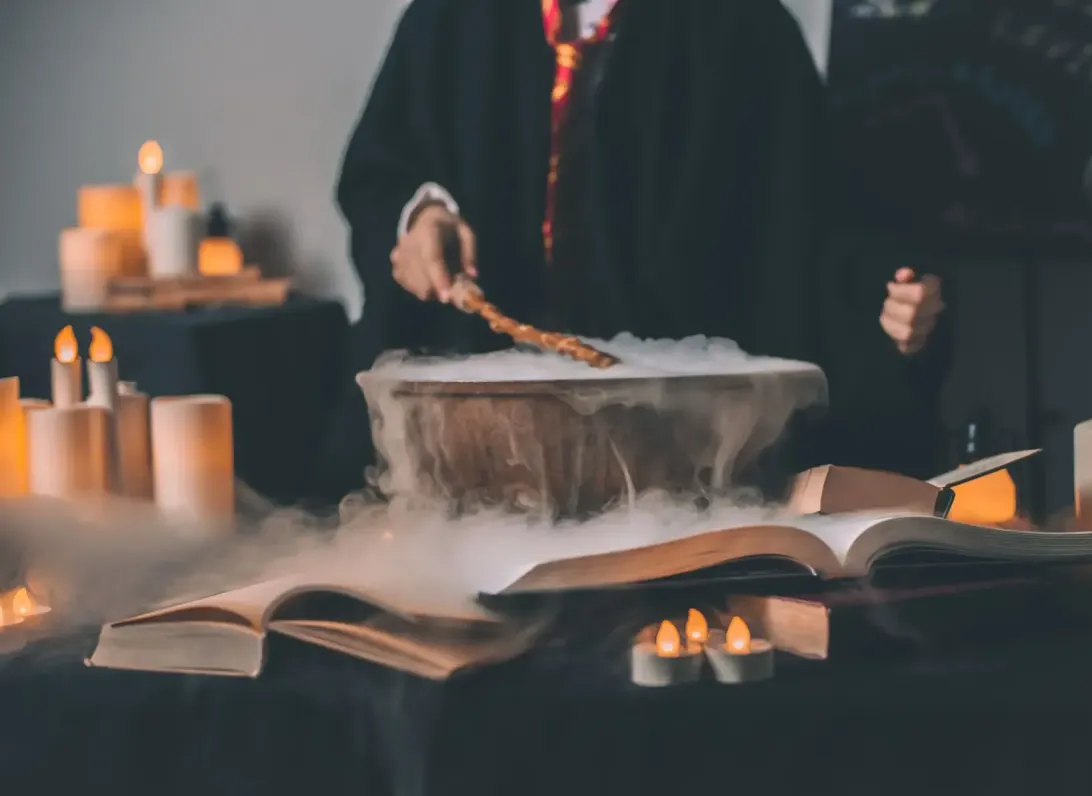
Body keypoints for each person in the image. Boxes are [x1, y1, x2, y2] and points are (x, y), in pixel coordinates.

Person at [322, 0, 950, 502]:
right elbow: (380, 174)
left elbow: (812, 224)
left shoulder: (743, 27)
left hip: (676, 451)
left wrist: (882, 301)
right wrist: (420, 214)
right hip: (479, 449)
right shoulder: (451, 19)